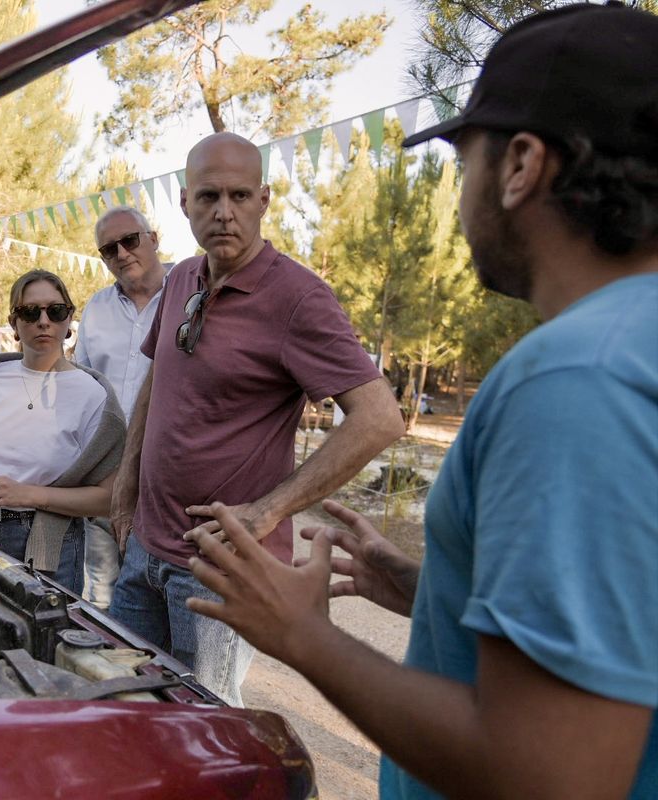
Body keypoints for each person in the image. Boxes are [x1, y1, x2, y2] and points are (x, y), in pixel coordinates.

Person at [184, 5, 657, 798]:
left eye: (463, 160)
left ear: (521, 166)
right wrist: (428, 590)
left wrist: (304, 639)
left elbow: (552, 773)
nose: (459, 189)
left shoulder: (576, 379)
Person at [108, 132, 405, 706]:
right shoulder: (181, 278)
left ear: (265, 200)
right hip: (145, 547)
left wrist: (269, 510)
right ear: (184, 201)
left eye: (240, 196)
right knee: (129, 710)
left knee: (209, 731)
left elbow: (380, 418)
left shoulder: (298, 299)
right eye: (209, 197)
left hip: (223, 568)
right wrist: (125, 480)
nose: (224, 212)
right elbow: (156, 380)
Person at [0, 269, 126, 593]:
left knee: (41, 640)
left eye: (55, 311)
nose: (43, 321)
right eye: (30, 312)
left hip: (49, 545)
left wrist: (30, 495)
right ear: (14, 323)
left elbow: (109, 499)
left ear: (69, 319)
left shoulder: (94, 394)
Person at [74, 206, 169, 610]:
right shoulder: (96, 308)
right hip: (105, 473)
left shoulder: (190, 295)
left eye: (130, 240)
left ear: (153, 238)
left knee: (159, 600)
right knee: (100, 599)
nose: (122, 253)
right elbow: (81, 386)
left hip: (165, 479)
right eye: (109, 249)